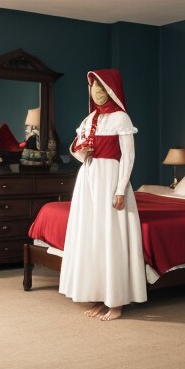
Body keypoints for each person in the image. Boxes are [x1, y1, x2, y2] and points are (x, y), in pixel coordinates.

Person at [58, 69, 147, 321]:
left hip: (110, 178)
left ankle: (116, 302)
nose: (96, 92)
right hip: (88, 179)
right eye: (92, 87)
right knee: (93, 235)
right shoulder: (89, 119)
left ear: (111, 90)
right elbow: (76, 151)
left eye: (100, 87)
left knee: (111, 236)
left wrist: (120, 189)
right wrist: (81, 150)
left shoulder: (121, 118)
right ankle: (99, 295)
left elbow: (128, 156)